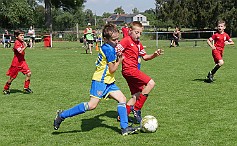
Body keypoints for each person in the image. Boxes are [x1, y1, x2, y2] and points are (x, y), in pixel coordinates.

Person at [53, 23, 140, 136]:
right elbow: (113, 69)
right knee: (92, 105)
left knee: (122, 99)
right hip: (100, 81)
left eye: (118, 39)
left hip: (109, 82)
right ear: (105, 39)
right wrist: (120, 60)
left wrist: (117, 56)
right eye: (114, 40)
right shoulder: (108, 49)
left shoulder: (109, 47)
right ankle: (62, 115)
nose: (117, 42)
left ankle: (125, 128)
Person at [116, 21, 164, 123]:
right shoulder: (126, 40)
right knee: (151, 83)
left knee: (136, 95)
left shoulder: (138, 44)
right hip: (130, 70)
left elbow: (145, 57)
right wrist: (119, 55)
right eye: (136, 32)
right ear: (130, 31)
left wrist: (155, 55)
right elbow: (117, 49)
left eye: (140, 33)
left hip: (130, 71)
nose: (138, 35)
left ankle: (122, 116)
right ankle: (137, 109)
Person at [3, 29, 33, 95]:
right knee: (12, 77)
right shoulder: (17, 42)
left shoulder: (21, 42)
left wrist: (25, 45)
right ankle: (6, 88)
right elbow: (20, 51)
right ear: (16, 36)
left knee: (29, 73)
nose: (22, 37)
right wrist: (25, 46)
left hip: (22, 61)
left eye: (23, 35)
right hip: (16, 63)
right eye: (21, 35)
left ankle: (26, 88)